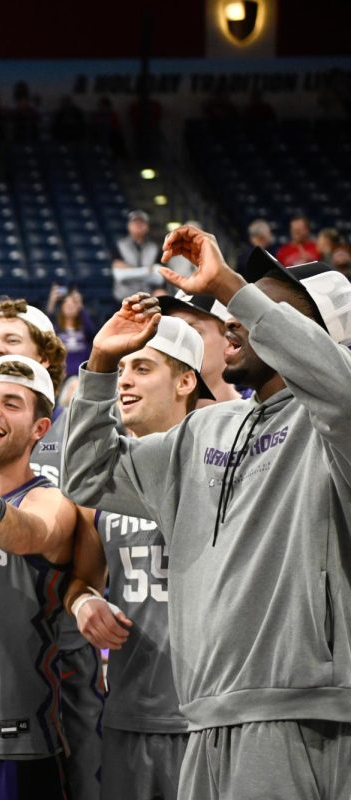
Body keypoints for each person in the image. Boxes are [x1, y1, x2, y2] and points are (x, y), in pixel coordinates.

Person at [62, 225, 351, 799]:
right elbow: (87, 476)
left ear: (315, 334)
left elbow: (337, 388)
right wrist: (97, 366)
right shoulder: (205, 429)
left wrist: (227, 282)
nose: (235, 318)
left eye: (264, 306)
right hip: (203, 718)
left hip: (303, 718)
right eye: (238, 305)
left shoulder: (332, 428)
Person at [0, 296, 104, 800]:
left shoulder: (52, 499)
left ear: (40, 427)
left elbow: (27, 533)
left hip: (23, 735)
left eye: (12, 403)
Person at [63, 316, 208, 800]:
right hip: (127, 708)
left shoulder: (217, 462)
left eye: (142, 367)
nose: (124, 379)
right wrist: (84, 604)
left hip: (206, 714)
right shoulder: (102, 479)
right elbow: (84, 580)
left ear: (186, 380)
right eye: (121, 367)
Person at [156, 290, 243, 406]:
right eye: (174, 333)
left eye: (193, 333)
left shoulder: (258, 416)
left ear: (231, 342)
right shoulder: (151, 417)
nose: (177, 343)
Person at [47, 284, 95, 380]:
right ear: (62, 307)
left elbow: (92, 333)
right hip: (62, 374)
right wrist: (52, 301)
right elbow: (46, 329)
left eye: (73, 304)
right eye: (66, 303)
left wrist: (80, 305)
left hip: (82, 374)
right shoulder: (57, 329)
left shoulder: (84, 328)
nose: (69, 306)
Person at [112, 210, 162, 301]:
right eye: (135, 222)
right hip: (124, 298)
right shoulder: (120, 245)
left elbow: (159, 276)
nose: (139, 225)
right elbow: (120, 275)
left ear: (147, 226)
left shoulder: (154, 247)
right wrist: (148, 271)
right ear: (128, 226)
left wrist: (129, 271)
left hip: (147, 298)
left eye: (142, 222)